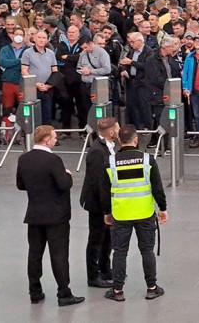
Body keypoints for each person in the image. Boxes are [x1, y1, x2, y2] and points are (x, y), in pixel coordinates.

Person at [16, 125, 84, 307]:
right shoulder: (54, 160)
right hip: (56, 216)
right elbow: (63, 184)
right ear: (47, 140)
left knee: (35, 254)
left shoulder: (24, 159)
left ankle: (35, 292)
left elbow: (20, 185)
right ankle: (64, 293)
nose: (56, 140)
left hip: (35, 215)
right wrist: (68, 175)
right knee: (59, 254)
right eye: (54, 137)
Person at [101, 124, 168, 302]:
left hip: (121, 214)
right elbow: (157, 188)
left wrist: (107, 212)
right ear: (136, 139)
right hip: (144, 213)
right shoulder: (147, 160)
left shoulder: (110, 161)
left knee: (120, 252)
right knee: (147, 251)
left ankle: (117, 290)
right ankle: (152, 288)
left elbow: (104, 191)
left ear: (119, 140)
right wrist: (163, 208)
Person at [80, 117, 120, 288]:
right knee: (96, 239)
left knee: (107, 238)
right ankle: (93, 275)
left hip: (105, 201)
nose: (119, 130)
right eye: (117, 128)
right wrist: (106, 209)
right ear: (111, 132)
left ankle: (105, 268)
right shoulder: (98, 151)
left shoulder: (108, 147)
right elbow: (97, 182)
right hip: (98, 203)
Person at [21, 30, 59, 126]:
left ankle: (47, 138)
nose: (41, 40)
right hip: (32, 89)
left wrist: (48, 86)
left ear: (47, 40)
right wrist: (35, 84)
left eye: (44, 38)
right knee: (33, 115)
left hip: (47, 89)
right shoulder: (27, 52)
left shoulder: (51, 53)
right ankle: (32, 138)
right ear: (34, 39)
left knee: (47, 115)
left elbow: (55, 71)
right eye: (39, 37)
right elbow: (24, 71)